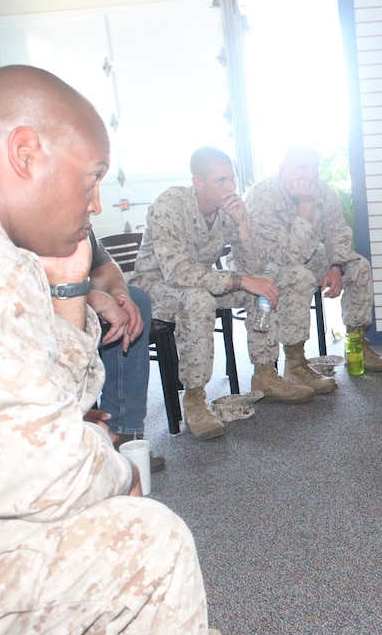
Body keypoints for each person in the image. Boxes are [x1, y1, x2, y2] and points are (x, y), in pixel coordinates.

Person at [0, 65, 216, 635]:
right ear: (25, 153)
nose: (96, 205)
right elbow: (40, 479)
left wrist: (69, 291)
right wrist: (118, 476)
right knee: (146, 549)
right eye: (91, 177)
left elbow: (39, 406)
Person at [131, 146, 314, 441]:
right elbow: (177, 272)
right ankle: (194, 398)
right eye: (221, 181)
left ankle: (265, 374)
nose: (230, 187)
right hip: (157, 286)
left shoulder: (227, 209)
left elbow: (253, 267)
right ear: (198, 182)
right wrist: (240, 280)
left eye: (232, 179)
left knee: (263, 286)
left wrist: (242, 224)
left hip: (202, 282)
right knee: (198, 299)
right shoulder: (170, 204)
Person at [242, 144, 382, 394]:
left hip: (305, 257)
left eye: (314, 168)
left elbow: (338, 232)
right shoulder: (261, 196)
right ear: (283, 169)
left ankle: (357, 344)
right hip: (266, 269)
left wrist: (336, 265)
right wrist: (306, 206)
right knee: (299, 276)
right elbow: (289, 256)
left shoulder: (322, 189)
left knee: (358, 266)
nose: (310, 174)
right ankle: (296, 363)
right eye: (302, 168)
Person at [89, 232, 166, 471]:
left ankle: (123, 432)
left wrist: (118, 296)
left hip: (78, 303)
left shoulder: (80, 222)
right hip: (33, 318)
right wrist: (91, 299)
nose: (95, 206)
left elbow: (104, 267)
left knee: (137, 299)